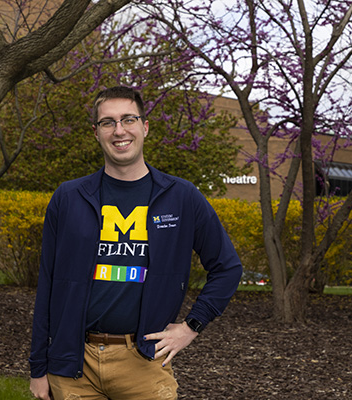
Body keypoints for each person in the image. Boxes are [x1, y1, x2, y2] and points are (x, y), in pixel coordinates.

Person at [29, 86, 242, 400]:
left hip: (144, 363)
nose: (119, 130)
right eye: (108, 122)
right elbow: (47, 285)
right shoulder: (69, 198)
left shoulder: (181, 197)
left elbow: (227, 268)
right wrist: (38, 368)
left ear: (145, 126)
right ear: (96, 132)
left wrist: (191, 326)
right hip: (74, 365)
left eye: (128, 119)